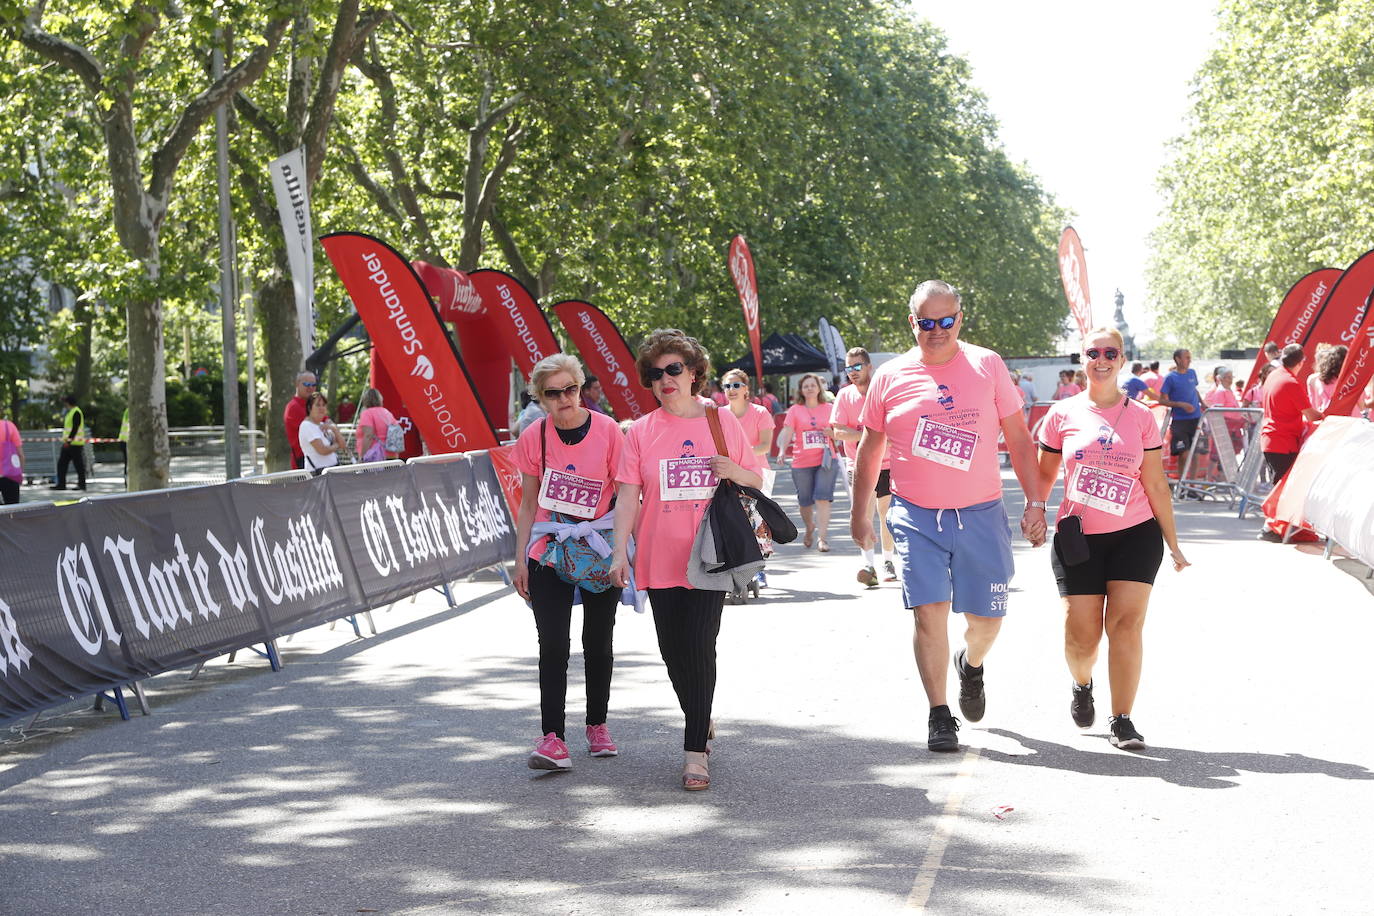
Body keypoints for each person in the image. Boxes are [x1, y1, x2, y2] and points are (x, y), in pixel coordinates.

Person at [850, 280, 1046, 753]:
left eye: (946, 321)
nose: (936, 331)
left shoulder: (987, 364)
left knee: (987, 621)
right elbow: (869, 449)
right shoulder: (890, 376)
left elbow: (1019, 439)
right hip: (916, 516)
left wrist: (1036, 502)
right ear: (911, 322)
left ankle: (971, 664)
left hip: (980, 513)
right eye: (926, 322)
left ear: (960, 318)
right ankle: (940, 714)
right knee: (928, 614)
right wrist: (861, 514)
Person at [609, 329, 762, 791]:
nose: (665, 379)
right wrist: (620, 550)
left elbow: (754, 476)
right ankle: (701, 712)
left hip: (710, 555)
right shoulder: (640, 431)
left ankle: (695, 751)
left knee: (700, 646)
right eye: (655, 374)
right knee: (674, 654)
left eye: (674, 369)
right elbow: (628, 496)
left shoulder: (720, 421)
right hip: (658, 556)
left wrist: (733, 470)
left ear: (694, 373)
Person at [1035, 328, 1190, 750]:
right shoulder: (1061, 414)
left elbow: (1156, 484)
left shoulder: (1142, 417)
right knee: (1081, 636)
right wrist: (1035, 509)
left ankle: (1123, 718)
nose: (1101, 359)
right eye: (1093, 352)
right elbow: (1044, 475)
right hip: (1079, 537)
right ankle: (1082, 683)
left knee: (1125, 626)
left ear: (1122, 360)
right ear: (1082, 358)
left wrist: (1173, 543)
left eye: (1111, 353)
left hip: (1136, 535)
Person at [512, 354, 626, 772]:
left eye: (570, 389)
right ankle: (553, 738)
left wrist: (623, 551)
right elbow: (527, 503)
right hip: (550, 548)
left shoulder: (609, 431)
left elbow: (627, 493)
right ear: (540, 398)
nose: (564, 399)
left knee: (598, 641)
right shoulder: (533, 437)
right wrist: (521, 559)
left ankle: (597, 725)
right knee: (553, 645)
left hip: (598, 546)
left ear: (581, 387)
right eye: (553, 393)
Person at [831, 348, 897, 586]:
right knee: (864, 513)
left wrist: (866, 436)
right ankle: (868, 564)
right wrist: (867, 436)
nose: (853, 373)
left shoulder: (883, 393)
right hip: (858, 464)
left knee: (887, 514)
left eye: (857, 367)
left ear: (870, 367)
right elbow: (838, 431)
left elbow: (892, 431)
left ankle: (888, 560)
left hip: (888, 463)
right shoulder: (844, 395)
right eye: (848, 369)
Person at [1258, 344, 1322, 522]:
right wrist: (1328, 417)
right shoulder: (1290, 382)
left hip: (1273, 439)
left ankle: (1275, 525)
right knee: (1283, 489)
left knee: (1280, 486)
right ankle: (1272, 526)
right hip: (1282, 441)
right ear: (1301, 362)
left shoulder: (1274, 376)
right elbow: (1311, 415)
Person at [776, 372, 839, 552]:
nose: (810, 388)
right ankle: (810, 526)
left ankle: (822, 538)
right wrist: (782, 452)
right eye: (806, 386)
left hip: (826, 459)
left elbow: (840, 432)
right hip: (801, 461)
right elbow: (787, 432)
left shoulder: (829, 408)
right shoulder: (795, 410)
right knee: (805, 502)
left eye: (813, 385)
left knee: (822, 498)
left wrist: (832, 434)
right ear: (801, 391)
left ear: (819, 388)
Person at [1157, 349, 1202, 458]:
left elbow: (1194, 390)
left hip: (1196, 418)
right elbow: (1162, 400)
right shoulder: (1170, 378)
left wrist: (1203, 403)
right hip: (1180, 420)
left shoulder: (1192, 373)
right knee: (1183, 453)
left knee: (1196, 453)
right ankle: (1183, 475)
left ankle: (1192, 476)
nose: (1189, 360)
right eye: (1187, 357)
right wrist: (1181, 404)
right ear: (1178, 359)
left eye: (1189, 357)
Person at [298, 392, 341, 474]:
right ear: (309, 408)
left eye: (324, 405)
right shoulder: (306, 426)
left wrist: (334, 429)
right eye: (318, 405)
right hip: (319, 475)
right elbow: (322, 450)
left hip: (332, 471)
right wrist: (336, 446)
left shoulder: (323, 425)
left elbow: (343, 444)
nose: (321, 408)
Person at [1307, 344, 1355, 415]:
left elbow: (1314, 405)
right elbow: (1362, 405)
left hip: (1327, 419)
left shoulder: (1316, 379)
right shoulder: (1352, 379)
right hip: (1350, 420)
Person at [354, 388, 399, 462]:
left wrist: (362, 456)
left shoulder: (367, 413)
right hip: (391, 455)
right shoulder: (387, 412)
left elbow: (368, 436)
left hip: (375, 456)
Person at [51, 394, 86, 491]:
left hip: (74, 444)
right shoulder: (71, 412)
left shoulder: (76, 412)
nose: (64, 404)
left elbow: (75, 428)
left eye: (65, 402)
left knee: (78, 465)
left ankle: (82, 484)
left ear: (68, 403)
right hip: (70, 443)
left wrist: (69, 441)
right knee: (62, 464)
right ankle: (61, 484)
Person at [284, 371, 316, 470]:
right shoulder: (293, 407)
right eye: (306, 384)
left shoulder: (314, 405)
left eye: (313, 384)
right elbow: (315, 433)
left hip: (316, 461)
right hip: (304, 463)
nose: (310, 387)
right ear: (297, 384)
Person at [0, 406, 24, 505]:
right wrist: (20, 473)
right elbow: (21, 455)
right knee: (12, 511)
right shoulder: (9, 426)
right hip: (10, 475)